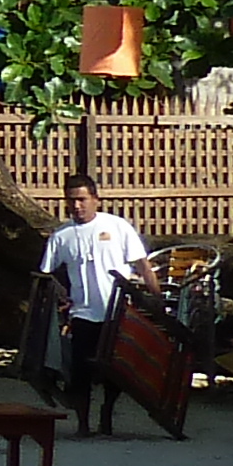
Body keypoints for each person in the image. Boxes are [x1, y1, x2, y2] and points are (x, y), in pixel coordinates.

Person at [35, 178, 159, 436]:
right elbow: (46, 274)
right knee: (81, 371)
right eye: (71, 200)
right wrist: (61, 296)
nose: (77, 205)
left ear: (96, 199)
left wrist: (155, 298)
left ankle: (107, 413)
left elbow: (142, 265)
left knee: (117, 371)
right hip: (82, 313)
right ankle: (83, 423)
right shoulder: (61, 236)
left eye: (82, 199)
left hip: (118, 312)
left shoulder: (117, 226)